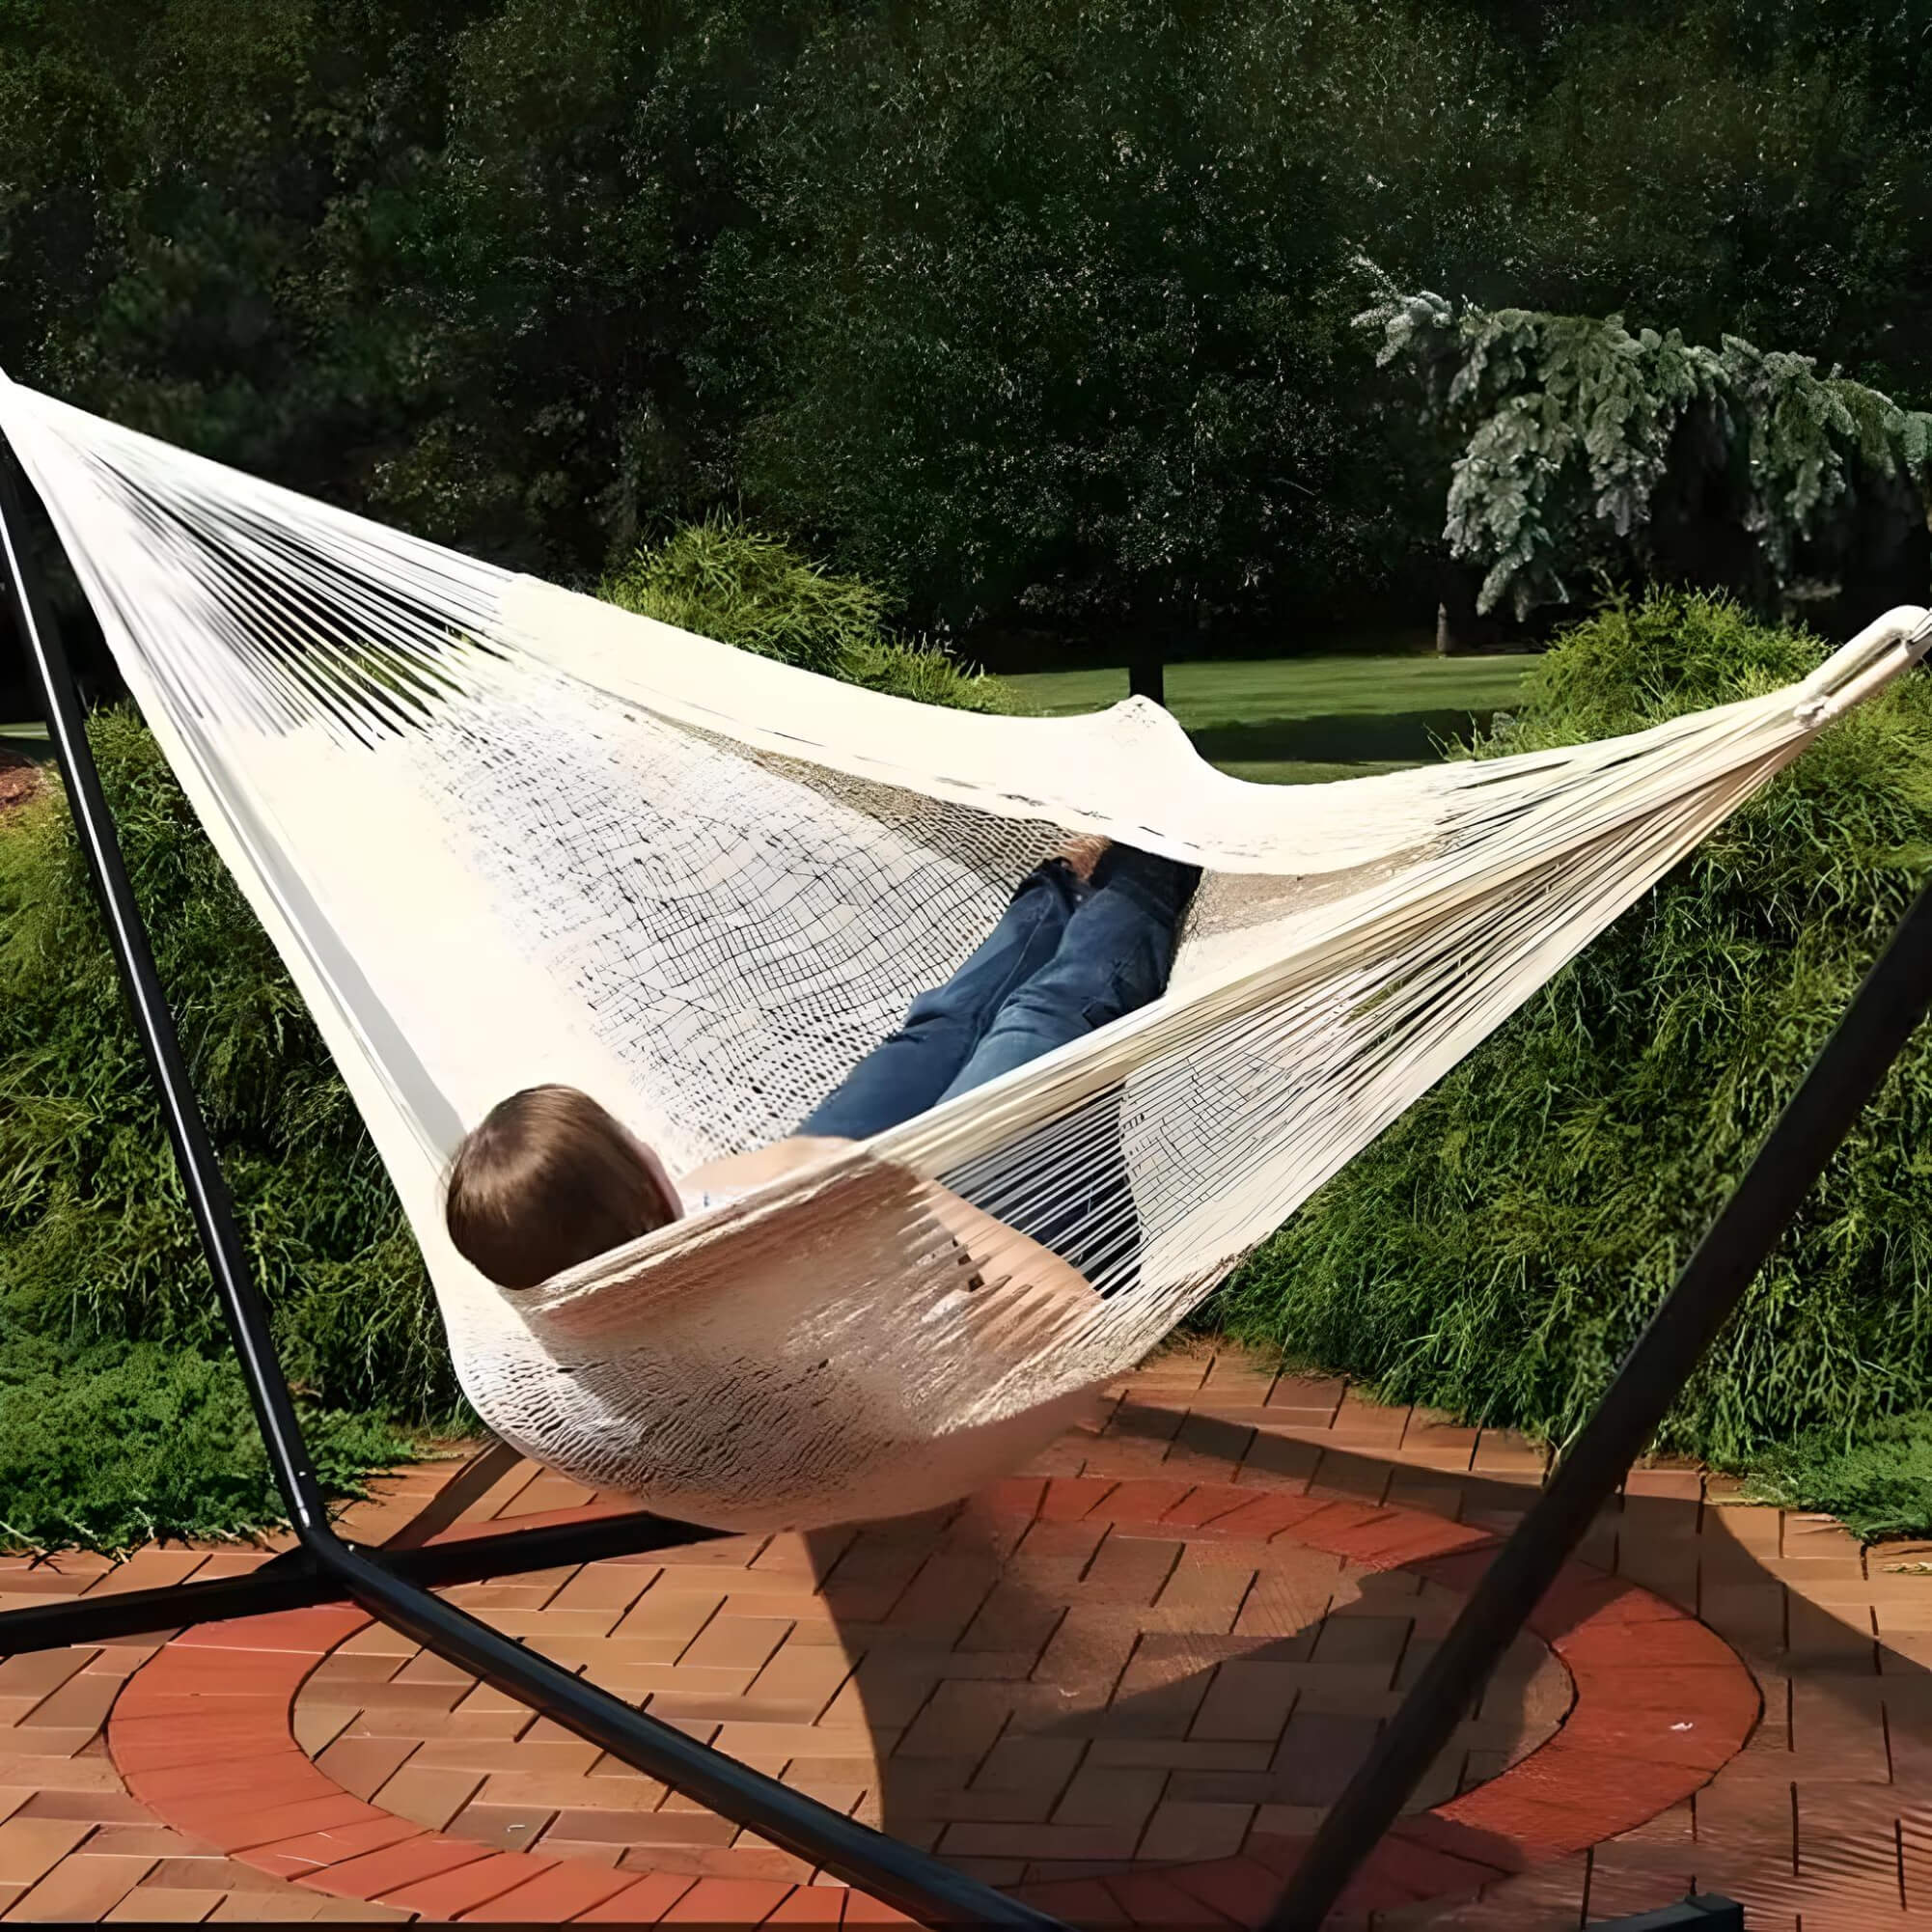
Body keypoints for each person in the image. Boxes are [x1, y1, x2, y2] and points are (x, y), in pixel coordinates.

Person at [445, 838, 1200, 1292]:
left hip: (834, 1185)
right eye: (626, 1134)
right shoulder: (708, 1267)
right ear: (642, 1181)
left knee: (936, 1033)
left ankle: (1060, 886)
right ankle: (1150, 864)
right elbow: (1038, 1289)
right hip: (942, 1218)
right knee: (1043, 1016)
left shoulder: (595, 1284)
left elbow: (751, 1181)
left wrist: (802, 1164)